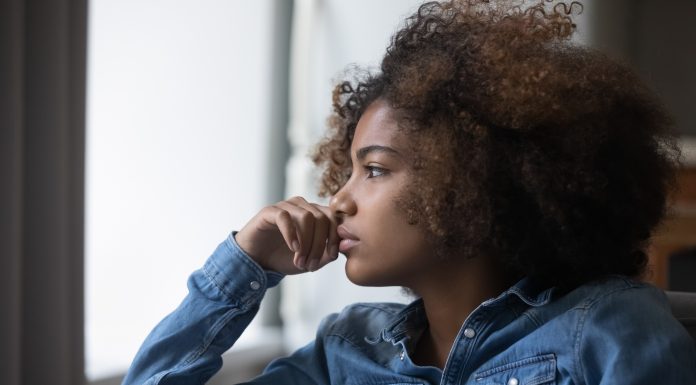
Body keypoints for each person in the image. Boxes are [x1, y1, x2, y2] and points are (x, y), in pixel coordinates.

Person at [122, 1, 696, 384]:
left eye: (373, 170)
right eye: (346, 171)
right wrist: (244, 266)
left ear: (474, 181)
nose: (339, 201)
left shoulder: (606, 326)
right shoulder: (347, 351)